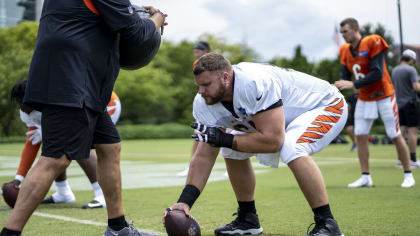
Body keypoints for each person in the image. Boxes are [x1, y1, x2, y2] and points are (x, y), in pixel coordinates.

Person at [0, 0, 167, 236]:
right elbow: (137, 33)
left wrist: (136, 11)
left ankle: (117, 228)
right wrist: (157, 18)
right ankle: (10, 233)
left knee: (110, 147)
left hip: (77, 82)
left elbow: (102, 12)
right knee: (55, 159)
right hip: (74, 82)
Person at [164, 52, 346, 236]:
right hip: (280, 119)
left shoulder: (254, 83)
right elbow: (204, 155)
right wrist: (185, 202)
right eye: (198, 85)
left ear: (225, 77)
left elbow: (274, 141)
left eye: (206, 85)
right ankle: (247, 218)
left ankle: (327, 223)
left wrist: (225, 139)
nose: (200, 91)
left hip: (324, 105)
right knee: (230, 148)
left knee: (292, 146)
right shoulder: (203, 103)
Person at [1, 81, 122, 209]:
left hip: (105, 103)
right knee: (52, 146)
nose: (20, 107)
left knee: (78, 145)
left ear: (31, 98)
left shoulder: (56, 100)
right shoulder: (31, 111)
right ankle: (63, 193)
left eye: (21, 102)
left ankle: (101, 194)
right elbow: (32, 143)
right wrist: (18, 179)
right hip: (78, 105)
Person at [334, 18, 415, 188]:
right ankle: (365, 176)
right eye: (341, 33)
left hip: (384, 95)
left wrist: (353, 85)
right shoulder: (344, 50)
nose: (343, 35)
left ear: (355, 29)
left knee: (394, 134)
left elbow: (377, 73)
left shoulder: (373, 41)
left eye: (345, 31)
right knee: (361, 135)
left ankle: (408, 174)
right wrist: (338, 86)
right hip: (364, 97)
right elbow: (345, 77)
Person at [178, 41, 211, 177]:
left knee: (228, 134)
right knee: (199, 133)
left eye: (199, 50)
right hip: (205, 100)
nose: (196, 52)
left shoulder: (217, 62)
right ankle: (192, 166)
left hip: (218, 100)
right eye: (195, 50)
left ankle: (232, 166)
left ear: (206, 51)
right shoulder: (196, 64)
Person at [391, 49, 420, 168]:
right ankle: (413, 159)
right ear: (411, 59)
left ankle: (400, 160)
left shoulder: (395, 70)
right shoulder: (411, 69)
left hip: (398, 104)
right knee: (412, 131)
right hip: (410, 103)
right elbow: (416, 87)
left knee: (401, 132)